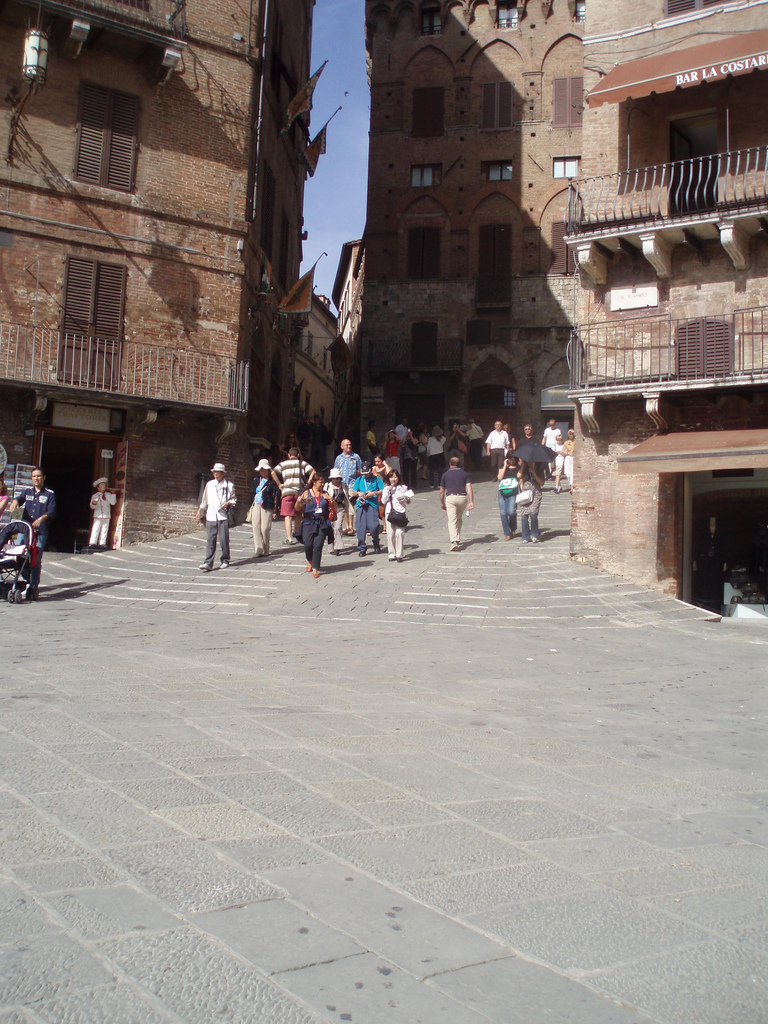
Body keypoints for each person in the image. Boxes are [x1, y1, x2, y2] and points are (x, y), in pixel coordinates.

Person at [9, 467, 56, 595]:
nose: (36, 478)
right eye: (34, 476)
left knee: (36, 557)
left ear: (44, 477)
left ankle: (34, 585)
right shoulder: (28, 492)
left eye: (39, 476)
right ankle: (27, 580)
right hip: (25, 529)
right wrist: (14, 502)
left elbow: (51, 512)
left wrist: (41, 519)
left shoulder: (49, 493)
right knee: (19, 555)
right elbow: (19, 499)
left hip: (40, 530)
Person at [272, 447, 315, 545]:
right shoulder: (302, 463)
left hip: (287, 492)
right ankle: (297, 533)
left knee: (288, 516)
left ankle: (289, 538)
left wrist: (279, 484)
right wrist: (308, 481)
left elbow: (273, 472)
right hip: (299, 492)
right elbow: (313, 471)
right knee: (299, 513)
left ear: (288, 455)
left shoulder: (283, 464)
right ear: (298, 455)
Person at [197, 462, 235, 570]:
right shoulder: (209, 484)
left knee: (223, 539)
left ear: (223, 473)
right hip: (211, 514)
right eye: (214, 472)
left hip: (223, 516)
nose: (216, 474)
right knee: (210, 539)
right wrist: (201, 509)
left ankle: (225, 559)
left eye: (218, 472)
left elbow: (234, 499)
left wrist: (228, 503)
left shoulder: (229, 485)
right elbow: (205, 499)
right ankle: (208, 562)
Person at [296, 472, 333, 578]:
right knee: (308, 544)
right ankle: (310, 560)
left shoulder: (325, 494)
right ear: (314, 482)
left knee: (318, 545)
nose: (322, 485)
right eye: (320, 483)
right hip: (308, 522)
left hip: (322, 523)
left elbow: (333, 507)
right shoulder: (307, 494)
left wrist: (331, 499)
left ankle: (316, 568)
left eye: (323, 483)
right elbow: (298, 508)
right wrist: (299, 502)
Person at [439, 456, 474, 552]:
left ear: (450, 464)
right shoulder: (465, 474)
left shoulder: (445, 475)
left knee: (452, 520)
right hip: (463, 497)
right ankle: (457, 537)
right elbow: (469, 487)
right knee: (458, 518)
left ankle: (454, 540)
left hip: (451, 497)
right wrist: (471, 501)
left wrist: (442, 502)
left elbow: (442, 491)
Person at [350, 461, 384, 556]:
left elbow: (383, 490)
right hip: (361, 505)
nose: (365, 474)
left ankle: (376, 541)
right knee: (360, 527)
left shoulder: (377, 479)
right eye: (363, 472)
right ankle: (362, 548)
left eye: (367, 472)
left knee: (373, 526)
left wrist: (374, 493)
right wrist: (359, 493)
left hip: (372, 505)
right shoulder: (359, 479)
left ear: (371, 470)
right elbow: (353, 492)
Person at [381, 469, 413, 563]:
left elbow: (408, 500)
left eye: (395, 477)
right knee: (390, 534)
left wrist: (406, 499)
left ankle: (399, 555)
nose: (393, 479)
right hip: (390, 513)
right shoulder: (386, 488)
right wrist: (388, 491)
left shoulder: (403, 487)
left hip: (400, 512)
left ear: (398, 477)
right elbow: (383, 501)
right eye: (391, 477)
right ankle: (392, 554)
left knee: (399, 533)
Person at [333, 438, 363, 535]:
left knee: (350, 504)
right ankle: (346, 526)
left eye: (350, 445)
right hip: (342, 485)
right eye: (346, 445)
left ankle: (351, 526)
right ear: (342, 447)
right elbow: (335, 471)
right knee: (343, 505)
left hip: (352, 484)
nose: (348, 446)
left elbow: (360, 470)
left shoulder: (356, 457)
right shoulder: (339, 458)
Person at [251, 458, 280, 556]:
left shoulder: (272, 482)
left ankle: (266, 549)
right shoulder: (255, 480)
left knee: (265, 528)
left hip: (267, 505)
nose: (263, 471)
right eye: (261, 469)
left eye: (264, 469)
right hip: (256, 504)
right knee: (255, 526)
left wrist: (275, 510)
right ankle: (258, 549)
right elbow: (252, 494)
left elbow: (276, 495)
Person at [517, 460, 544, 544]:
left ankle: (534, 534)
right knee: (524, 514)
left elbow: (542, 483)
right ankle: (525, 536)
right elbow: (518, 476)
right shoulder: (524, 468)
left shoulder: (539, 468)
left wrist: (534, 473)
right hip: (525, 492)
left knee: (533, 513)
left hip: (536, 492)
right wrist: (523, 467)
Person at [497, 452, 519, 541]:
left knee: (511, 512)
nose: (512, 461)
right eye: (510, 459)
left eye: (513, 460)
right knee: (503, 513)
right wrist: (505, 466)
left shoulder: (518, 469)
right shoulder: (503, 468)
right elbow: (499, 477)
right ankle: (507, 533)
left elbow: (520, 478)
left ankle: (513, 528)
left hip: (513, 492)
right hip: (502, 492)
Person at [88, 477, 116, 548]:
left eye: (104, 485)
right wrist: (94, 503)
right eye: (102, 485)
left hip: (106, 515)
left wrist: (113, 494)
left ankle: (102, 543)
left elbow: (113, 502)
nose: (104, 487)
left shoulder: (108, 495)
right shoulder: (95, 495)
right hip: (98, 515)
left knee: (104, 529)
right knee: (96, 529)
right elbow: (92, 506)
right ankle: (92, 542)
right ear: (98, 487)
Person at [325, 468, 346, 555]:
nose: (335, 480)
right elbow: (323, 495)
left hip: (340, 508)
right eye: (334, 478)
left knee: (337, 527)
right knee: (330, 528)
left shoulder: (344, 486)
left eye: (337, 478)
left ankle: (338, 547)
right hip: (329, 509)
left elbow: (348, 496)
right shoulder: (327, 486)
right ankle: (330, 547)